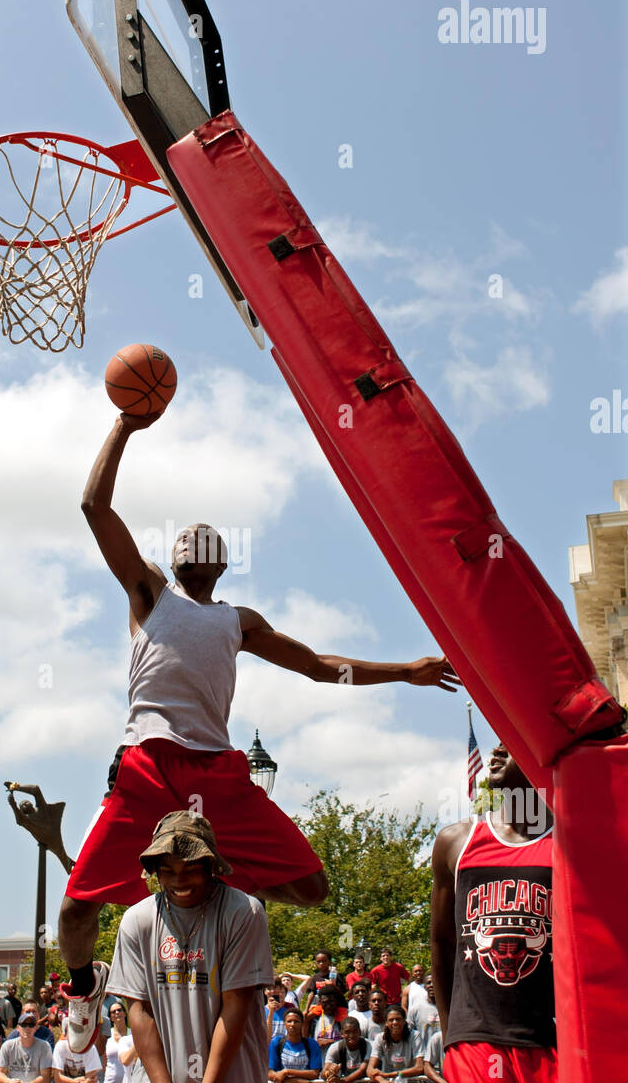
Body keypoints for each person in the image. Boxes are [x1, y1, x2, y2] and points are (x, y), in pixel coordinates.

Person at [52, 412, 459, 1050]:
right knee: (76, 911)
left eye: (207, 536)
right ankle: (83, 988)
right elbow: (92, 504)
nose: (196, 538)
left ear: (221, 560)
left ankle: (209, 879)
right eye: (186, 535)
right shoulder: (150, 595)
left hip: (217, 771)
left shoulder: (239, 622)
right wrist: (126, 424)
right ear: (177, 555)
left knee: (313, 886)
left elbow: (321, 667)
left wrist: (407, 670)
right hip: (148, 766)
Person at [106, 810, 275, 1083]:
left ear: (211, 865)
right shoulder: (137, 920)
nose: (179, 880)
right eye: (167, 870)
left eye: (190, 869)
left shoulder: (243, 912)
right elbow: (139, 1011)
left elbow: (234, 1010)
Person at [431, 742, 563, 1083]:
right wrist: (450, 1036)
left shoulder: (566, 845)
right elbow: (442, 941)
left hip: (550, 1041)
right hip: (476, 1039)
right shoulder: (456, 842)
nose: (498, 746)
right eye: (497, 740)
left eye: (515, 739)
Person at [323, 1016, 371, 1083]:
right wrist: (330, 1074)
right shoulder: (336, 1047)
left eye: (354, 1031)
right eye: (347, 1032)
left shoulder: (368, 1045)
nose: (351, 1035)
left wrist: (342, 1081)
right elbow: (323, 1072)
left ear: (360, 1032)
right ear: (341, 1034)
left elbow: (363, 1069)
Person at [0, 1012, 53, 1083]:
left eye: (31, 1025)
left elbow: (46, 1077)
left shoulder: (45, 1046)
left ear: (36, 1028)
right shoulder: (7, 1045)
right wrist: (10, 1081)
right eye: (24, 1025)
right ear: (18, 1028)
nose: (27, 1028)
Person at [268, 1009, 323, 1083]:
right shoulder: (276, 1043)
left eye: (296, 1021)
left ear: (302, 1024)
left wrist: (287, 1072)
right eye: (289, 1021)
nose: (292, 1025)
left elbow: (315, 1073)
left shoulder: (312, 1044)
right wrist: (296, 1081)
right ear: (284, 1024)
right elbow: (270, 1073)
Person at [308, 984, 347, 1052]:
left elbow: (350, 1040)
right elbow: (305, 1041)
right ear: (320, 1002)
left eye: (331, 1001)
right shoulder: (314, 1018)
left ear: (337, 1001)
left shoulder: (343, 1017)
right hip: (318, 1059)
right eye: (325, 1002)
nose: (328, 1005)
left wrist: (330, 1042)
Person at [265, 976, 299, 1042]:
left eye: (275, 988)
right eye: (269, 989)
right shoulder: (261, 1010)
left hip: (286, 1047)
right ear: (265, 992)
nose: (272, 991)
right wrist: (271, 1012)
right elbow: (265, 1036)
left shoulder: (290, 1008)